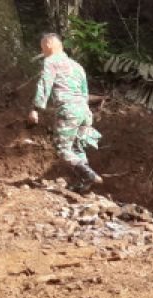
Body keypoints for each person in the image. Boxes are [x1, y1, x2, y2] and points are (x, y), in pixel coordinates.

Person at [28, 33, 102, 192]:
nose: (43, 51)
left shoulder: (50, 61)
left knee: (63, 150)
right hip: (84, 112)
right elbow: (85, 93)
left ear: (48, 44)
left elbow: (44, 85)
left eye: (42, 48)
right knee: (77, 148)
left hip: (68, 110)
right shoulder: (78, 66)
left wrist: (35, 109)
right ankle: (84, 184)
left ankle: (88, 174)